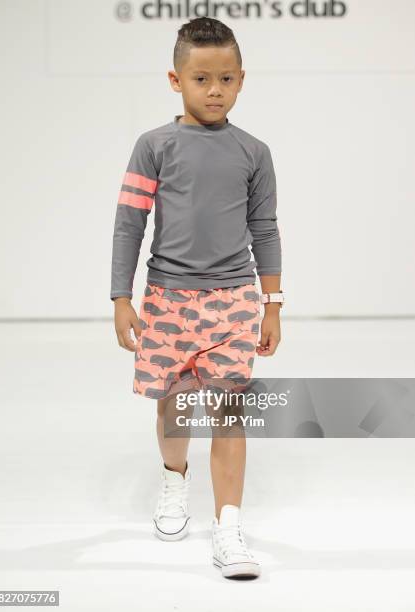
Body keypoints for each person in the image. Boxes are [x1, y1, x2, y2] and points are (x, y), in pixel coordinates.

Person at [110, 16, 283, 580]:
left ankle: (228, 527)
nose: (215, 90)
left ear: (241, 80)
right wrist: (121, 296)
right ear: (175, 79)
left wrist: (273, 302)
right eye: (202, 78)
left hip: (234, 299)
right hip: (167, 299)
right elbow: (129, 223)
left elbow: (266, 228)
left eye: (226, 78)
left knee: (229, 411)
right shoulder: (154, 146)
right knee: (175, 405)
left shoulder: (254, 151)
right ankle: (173, 478)